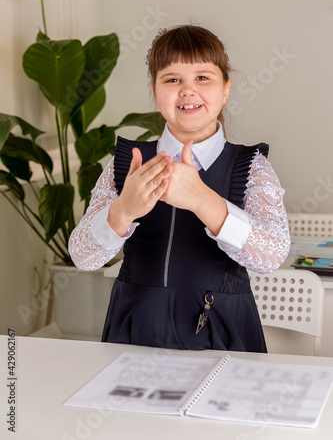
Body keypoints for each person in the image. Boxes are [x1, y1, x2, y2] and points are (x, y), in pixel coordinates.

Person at [69, 25, 290, 352]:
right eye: (172, 79)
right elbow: (82, 256)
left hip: (224, 333)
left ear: (225, 90)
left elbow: (272, 254)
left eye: (203, 78)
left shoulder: (252, 165)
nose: (188, 91)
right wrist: (122, 211)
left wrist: (204, 201)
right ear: (156, 89)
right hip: (134, 330)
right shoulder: (129, 162)